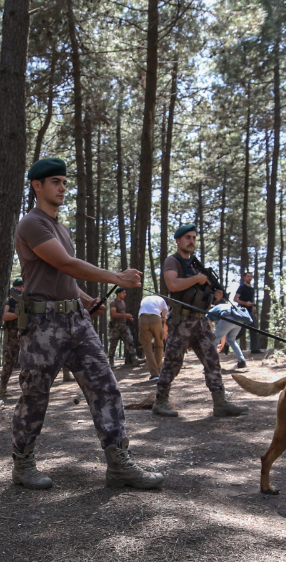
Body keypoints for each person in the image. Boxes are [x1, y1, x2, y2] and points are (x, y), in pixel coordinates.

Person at [10, 157, 163, 491]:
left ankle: (118, 463)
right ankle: (23, 464)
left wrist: (85, 299)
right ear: (37, 186)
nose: (62, 187)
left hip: (76, 320)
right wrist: (116, 276)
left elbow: (63, 272)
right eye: (55, 182)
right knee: (35, 395)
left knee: (105, 386)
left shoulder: (61, 227)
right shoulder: (32, 223)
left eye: (64, 182)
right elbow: (64, 261)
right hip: (43, 324)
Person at [152, 225, 247, 418]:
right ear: (178, 240)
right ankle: (160, 401)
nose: (191, 241)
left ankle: (220, 403)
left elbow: (202, 295)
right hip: (181, 321)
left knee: (212, 360)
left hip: (201, 321)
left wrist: (215, 296)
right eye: (187, 237)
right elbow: (172, 284)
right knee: (173, 362)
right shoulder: (173, 261)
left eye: (194, 238)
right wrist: (197, 279)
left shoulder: (196, 264)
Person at [208, 289, 250, 369]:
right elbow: (223, 330)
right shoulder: (226, 305)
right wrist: (222, 343)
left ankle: (212, 363)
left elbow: (210, 325)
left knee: (214, 340)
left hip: (228, 318)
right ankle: (241, 360)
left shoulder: (212, 310)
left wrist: (212, 336)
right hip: (239, 320)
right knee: (231, 340)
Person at [0, 277, 24, 399]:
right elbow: (4, 315)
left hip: (24, 335)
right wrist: (18, 314)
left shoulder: (24, 299)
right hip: (12, 337)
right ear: (21, 286)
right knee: (9, 363)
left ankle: (26, 388)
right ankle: (2, 389)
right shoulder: (11, 300)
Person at [136, 294, 168, 381]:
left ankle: (154, 374)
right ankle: (158, 370)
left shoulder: (145, 299)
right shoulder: (162, 300)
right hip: (155, 318)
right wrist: (163, 318)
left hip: (142, 319)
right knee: (159, 344)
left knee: (147, 347)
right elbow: (164, 314)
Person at [107, 287, 138, 367]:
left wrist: (128, 317)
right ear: (119, 293)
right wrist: (125, 315)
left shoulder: (123, 302)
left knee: (130, 340)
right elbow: (113, 314)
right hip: (115, 327)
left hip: (123, 326)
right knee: (113, 344)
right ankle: (111, 361)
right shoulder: (113, 303)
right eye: (123, 293)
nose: (125, 294)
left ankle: (134, 360)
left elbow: (122, 313)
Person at [235, 271, 261, 354]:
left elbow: (252, 301)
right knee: (241, 331)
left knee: (254, 328)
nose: (249, 278)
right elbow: (235, 299)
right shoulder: (242, 287)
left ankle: (254, 349)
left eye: (251, 276)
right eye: (248, 276)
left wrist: (255, 312)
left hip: (249, 312)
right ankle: (227, 343)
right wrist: (245, 303)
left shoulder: (251, 289)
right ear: (244, 278)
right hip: (242, 311)